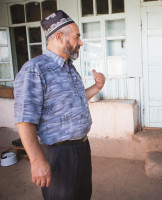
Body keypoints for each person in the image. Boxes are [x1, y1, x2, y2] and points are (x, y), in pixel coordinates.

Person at [14, 10, 105, 200]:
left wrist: (96, 87)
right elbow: (24, 119)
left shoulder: (70, 68)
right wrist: (37, 160)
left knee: (83, 195)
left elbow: (76, 100)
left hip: (81, 147)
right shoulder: (34, 69)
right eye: (77, 37)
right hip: (58, 153)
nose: (80, 42)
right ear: (59, 36)